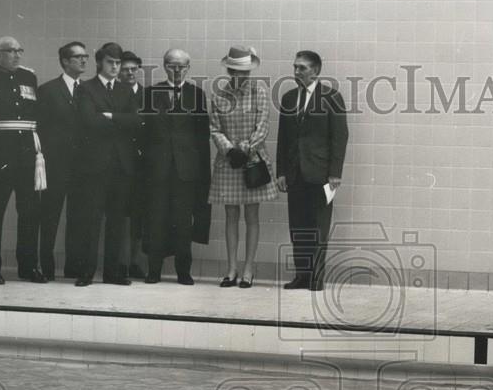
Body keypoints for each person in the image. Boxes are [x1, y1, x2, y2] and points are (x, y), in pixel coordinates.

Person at [0, 36, 45, 284]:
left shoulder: (29, 78)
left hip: (26, 156)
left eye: (19, 50)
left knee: (30, 214)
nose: (16, 55)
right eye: (10, 51)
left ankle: (28, 266)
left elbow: (34, 116)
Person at [276, 50, 348, 291]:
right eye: (295, 67)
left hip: (320, 174)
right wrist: (281, 172)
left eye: (302, 68)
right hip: (295, 173)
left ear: (316, 71)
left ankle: (316, 278)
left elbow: (340, 137)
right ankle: (301, 275)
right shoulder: (288, 98)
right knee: (298, 226)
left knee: (318, 227)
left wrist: (335, 173)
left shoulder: (331, 97)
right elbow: (283, 138)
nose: (296, 72)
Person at [140, 47, 211, 285]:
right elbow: (144, 133)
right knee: (156, 219)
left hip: (186, 171)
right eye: (172, 65)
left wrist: (201, 172)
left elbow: (202, 137)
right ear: (164, 66)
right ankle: (154, 271)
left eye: (182, 66)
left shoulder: (197, 95)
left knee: (183, 222)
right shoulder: (151, 93)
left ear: (189, 68)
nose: (177, 70)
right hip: (157, 169)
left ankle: (184, 271)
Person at [208, 46, 278, 288]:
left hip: (251, 161)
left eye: (245, 72)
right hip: (228, 162)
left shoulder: (259, 91)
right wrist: (229, 149)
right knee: (230, 215)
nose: (241, 76)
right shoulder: (219, 95)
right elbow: (215, 128)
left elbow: (263, 125)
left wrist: (247, 148)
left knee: (251, 215)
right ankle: (231, 269)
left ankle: (248, 269)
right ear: (229, 70)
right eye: (237, 71)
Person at [73, 42, 139, 287]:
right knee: (91, 219)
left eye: (118, 63)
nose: (115, 67)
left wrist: (109, 116)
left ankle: (112, 273)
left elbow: (136, 122)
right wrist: (120, 121)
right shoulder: (86, 88)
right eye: (111, 62)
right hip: (95, 165)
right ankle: (87, 272)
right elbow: (89, 121)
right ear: (100, 62)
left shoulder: (126, 90)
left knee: (117, 221)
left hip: (121, 166)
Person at [36, 41, 89, 280]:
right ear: (65, 61)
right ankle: (46, 266)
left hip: (82, 167)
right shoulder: (47, 90)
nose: (84, 60)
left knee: (78, 217)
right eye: (78, 57)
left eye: (85, 56)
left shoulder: (90, 90)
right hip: (56, 166)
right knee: (49, 216)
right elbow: (41, 128)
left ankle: (73, 267)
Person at [119, 50, 147, 279]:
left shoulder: (148, 96)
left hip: (142, 163)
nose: (129, 73)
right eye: (125, 69)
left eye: (133, 69)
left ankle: (135, 261)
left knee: (139, 213)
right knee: (121, 213)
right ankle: (120, 261)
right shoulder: (112, 94)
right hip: (118, 162)